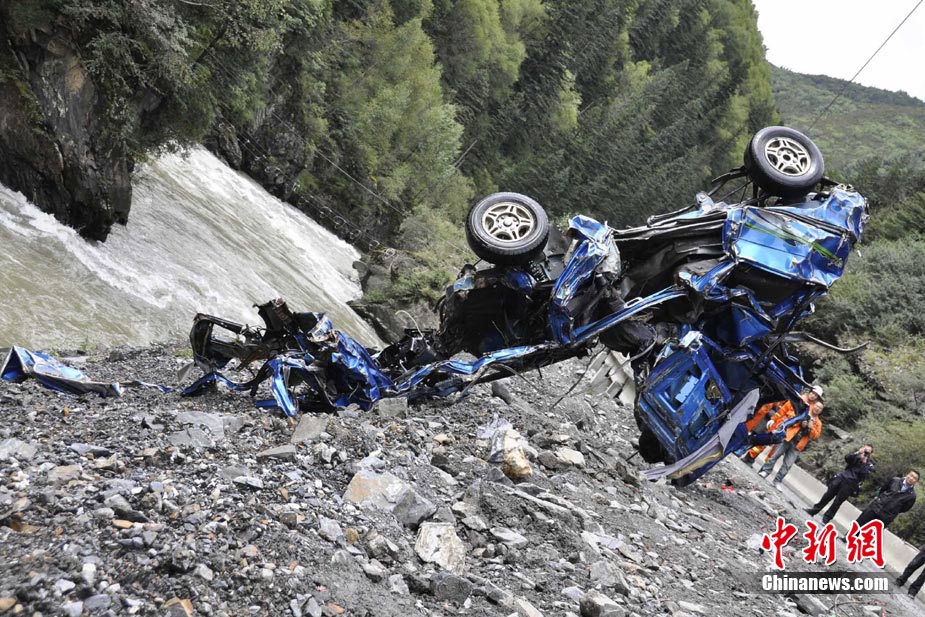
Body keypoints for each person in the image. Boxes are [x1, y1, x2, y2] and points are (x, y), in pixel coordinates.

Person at [758, 391, 824, 490]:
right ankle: (765, 471)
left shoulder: (818, 423)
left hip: (798, 444)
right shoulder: (804, 411)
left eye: (820, 408)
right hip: (788, 436)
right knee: (775, 455)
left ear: (821, 411)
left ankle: (777, 480)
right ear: (814, 405)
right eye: (817, 406)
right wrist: (801, 423)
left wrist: (811, 428)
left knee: (788, 464)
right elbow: (793, 418)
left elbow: (815, 436)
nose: (817, 408)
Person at [743, 385, 823, 461]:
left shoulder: (811, 408)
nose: (813, 396)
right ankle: (750, 456)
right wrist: (774, 419)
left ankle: (765, 464)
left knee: (775, 448)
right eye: (813, 393)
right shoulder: (798, 398)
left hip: (792, 429)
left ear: (817, 398)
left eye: (815, 395)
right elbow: (784, 409)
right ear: (810, 391)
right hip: (781, 422)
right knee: (766, 439)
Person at [805, 444, 874, 524]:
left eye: (867, 451)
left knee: (837, 502)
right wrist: (858, 452)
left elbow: (864, 475)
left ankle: (826, 519)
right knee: (827, 495)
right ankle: (813, 511)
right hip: (842, 477)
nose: (865, 452)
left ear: (870, 454)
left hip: (851, 484)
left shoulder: (869, 464)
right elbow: (847, 458)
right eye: (865, 449)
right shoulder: (856, 456)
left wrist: (864, 462)